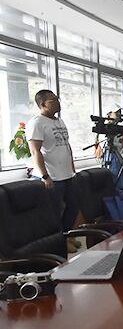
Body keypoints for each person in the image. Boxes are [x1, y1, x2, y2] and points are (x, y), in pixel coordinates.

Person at [26, 90, 79, 231]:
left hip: (68, 174)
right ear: (43, 104)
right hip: (52, 177)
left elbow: (66, 146)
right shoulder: (37, 123)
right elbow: (35, 151)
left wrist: (72, 168)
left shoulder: (59, 121)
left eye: (57, 99)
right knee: (54, 212)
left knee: (74, 206)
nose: (57, 102)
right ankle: (58, 239)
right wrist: (45, 176)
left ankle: (65, 235)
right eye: (53, 100)